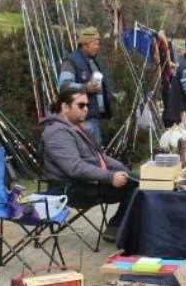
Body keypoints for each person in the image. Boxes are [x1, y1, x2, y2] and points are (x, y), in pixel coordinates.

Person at [41, 84, 136, 242]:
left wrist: (120, 168)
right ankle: (116, 227)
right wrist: (109, 177)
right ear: (65, 107)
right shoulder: (56, 132)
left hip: (89, 182)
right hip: (71, 189)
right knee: (136, 187)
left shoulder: (78, 127)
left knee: (139, 180)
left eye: (87, 105)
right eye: (81, 105)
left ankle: (120, 227)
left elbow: (98, 156)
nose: (86, 109)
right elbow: (74, 167)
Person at [58, 26, 114, 146]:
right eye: (95, 44)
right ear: (85, 44)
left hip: (96, 116)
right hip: (82, 120)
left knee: (96, 152)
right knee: (87, 153)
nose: (97, 47)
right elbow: (63, 86)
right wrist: (85, 88)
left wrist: (108, 95)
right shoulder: (71, 62)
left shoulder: (95, 60)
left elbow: (101, 84)